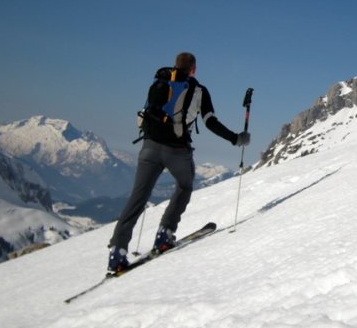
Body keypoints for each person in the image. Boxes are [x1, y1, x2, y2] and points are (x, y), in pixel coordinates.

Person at [107, 52, 250, 274]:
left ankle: (117, 251)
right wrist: (235, 138)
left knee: (138, 196)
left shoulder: (161, 81)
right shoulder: (199, 90)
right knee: (185, 185)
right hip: (177, 150)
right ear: (193, 68)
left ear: (176, 65)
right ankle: (165, 233)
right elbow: (210, 122)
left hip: (149, 147)